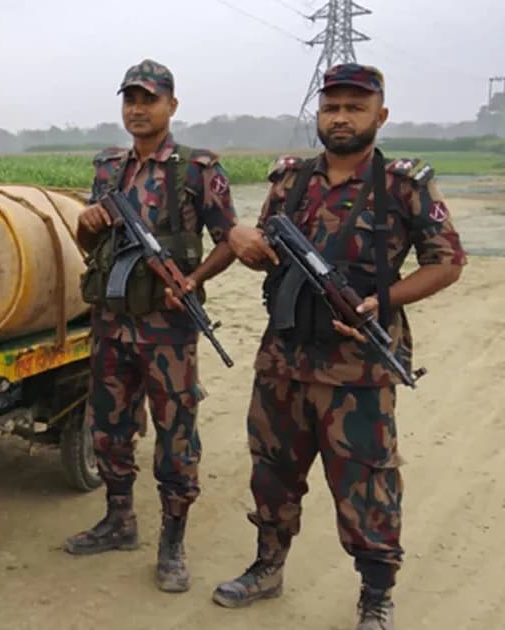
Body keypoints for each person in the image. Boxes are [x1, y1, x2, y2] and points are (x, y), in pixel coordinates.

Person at [215, 63, 465, 630]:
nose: (342, 117)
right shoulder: (289, 180)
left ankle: (376, 594)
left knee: (367, 483)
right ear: (319, 115)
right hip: (282, 360)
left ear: (380, 114)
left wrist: (384, 298)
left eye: (355, 106)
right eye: (332, 107)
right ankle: (267, 567)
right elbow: (263, 245)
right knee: (272, 471)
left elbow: (446, 262)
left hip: (359, 371)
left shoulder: (404, 184)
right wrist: (245, 239)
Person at [62, 59, 240, 594]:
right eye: (130, 100)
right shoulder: (108, 168)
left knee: (175, 433)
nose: (137, 109)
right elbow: (91, 246)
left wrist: (193, 279)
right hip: (112, 321)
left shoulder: (196, 169)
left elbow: (230, 238)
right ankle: (120, 520)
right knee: (109, 426)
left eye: (149, 99)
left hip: (168, 327)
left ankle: (172, 541)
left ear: (172, 105)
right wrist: (86, 223)